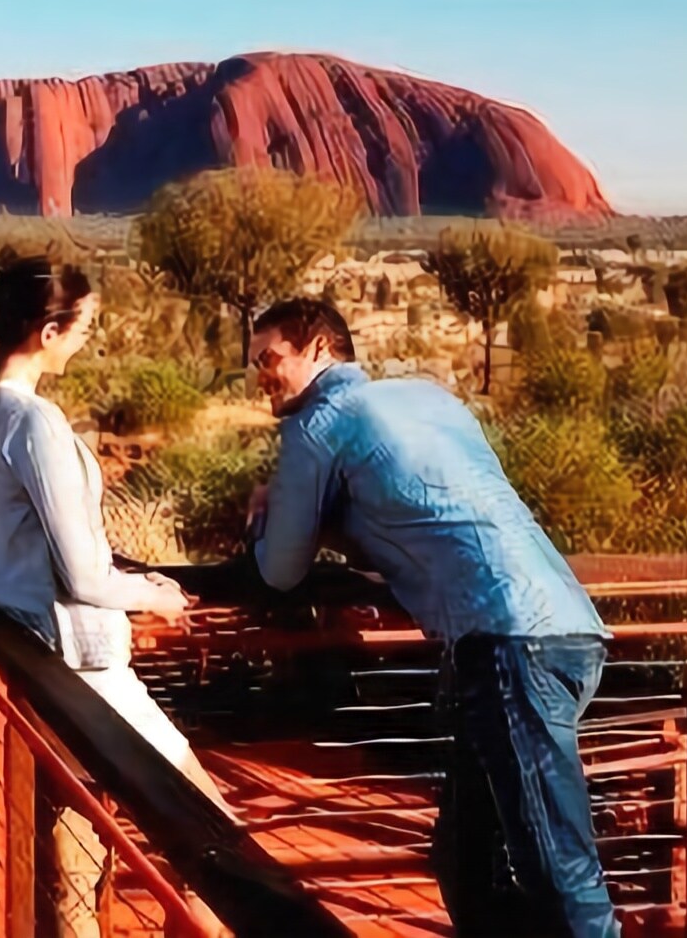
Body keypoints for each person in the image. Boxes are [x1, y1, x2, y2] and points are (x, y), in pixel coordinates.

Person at [246, 297, 616, 938]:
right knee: (467, 860)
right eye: (254, 363)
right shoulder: (431, 396)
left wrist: (265, 518)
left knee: (558, 871)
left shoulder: (318, 422)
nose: (260, 375)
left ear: (318, 348)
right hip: (569, 628)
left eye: (270, 358)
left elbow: (280, 570)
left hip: (509, 646)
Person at [0, 254, 229, 937]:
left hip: (39, 664)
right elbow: (84, 576)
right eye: (82, 326)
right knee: (211, 838)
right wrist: (157, 595)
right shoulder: (32, 424)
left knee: (75, 853)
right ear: (47, 332)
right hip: (85, 670)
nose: (86, 339)